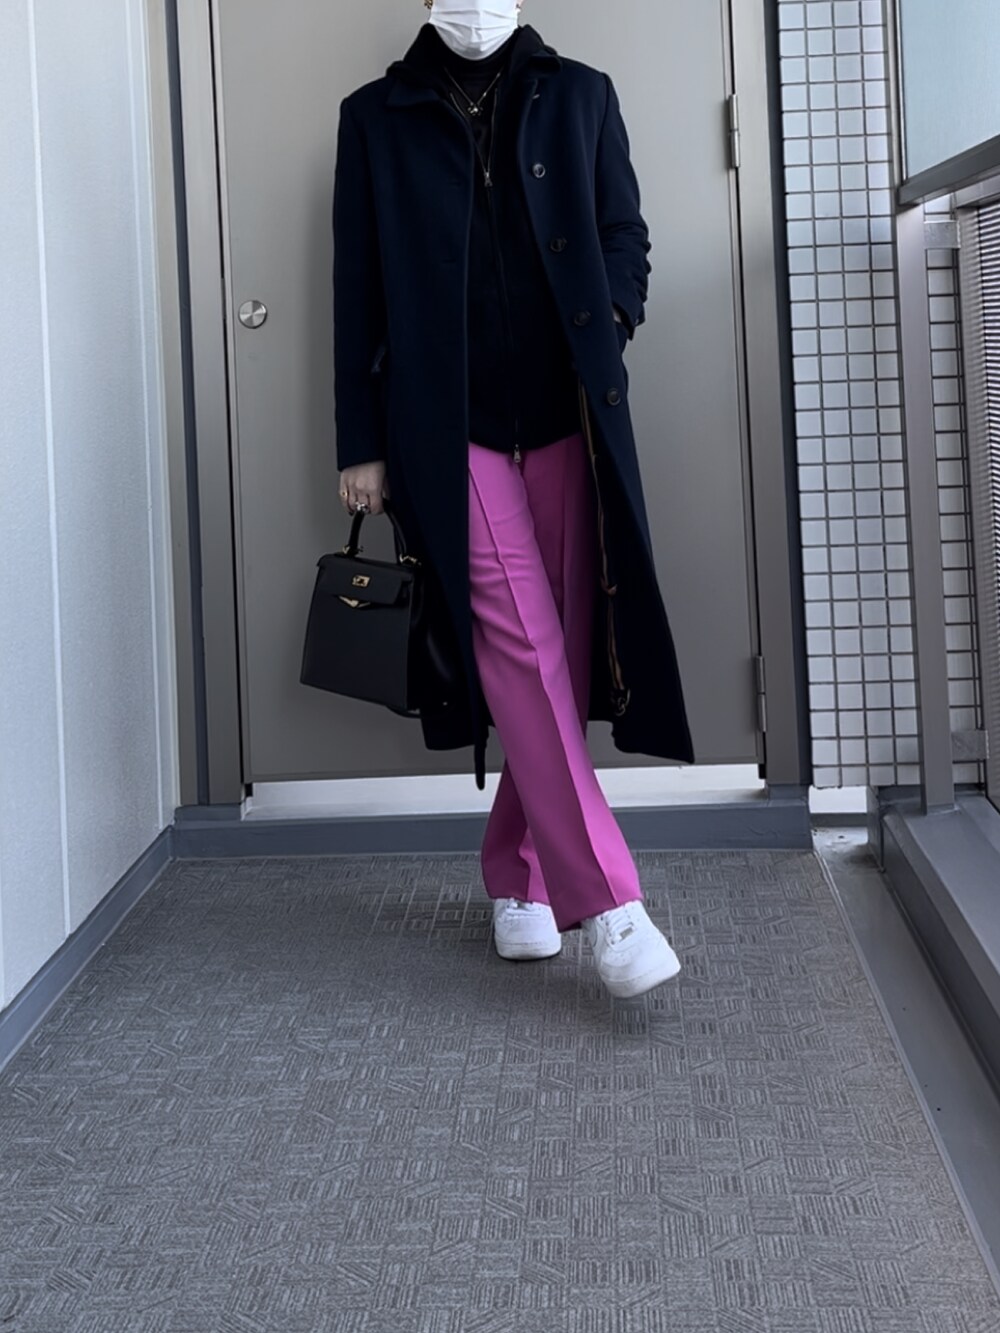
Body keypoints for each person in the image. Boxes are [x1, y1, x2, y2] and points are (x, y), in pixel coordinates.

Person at [332, 0, 695, 999]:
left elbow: (624, 233)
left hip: (569, 413)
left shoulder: (581, 95)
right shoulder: (374, 115)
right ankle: (610, 902)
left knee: (561, 652)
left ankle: (517, 872)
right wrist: (360, 441)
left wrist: (612, 314)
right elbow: (356, 285)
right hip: (449, 427)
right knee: (522, 646)